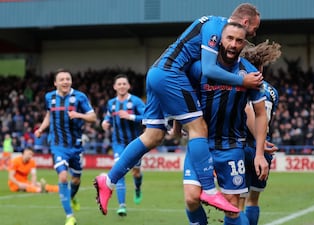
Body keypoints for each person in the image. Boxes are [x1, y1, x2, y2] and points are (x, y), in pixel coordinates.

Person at [94, 3, 268, 216]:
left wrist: (176, 127)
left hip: (157, 72)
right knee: (198, 128)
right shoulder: (217, 27)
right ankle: (210, 189)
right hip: (171, 75)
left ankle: (109, 180)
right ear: (245, 22)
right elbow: (210, 69)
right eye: (254, 29)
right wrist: (243, 81)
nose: (253, 34)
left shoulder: (212, 24)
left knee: (153, 136)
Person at [183, 22, 268, 225]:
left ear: (244, 44)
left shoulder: (250, 73)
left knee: (231, 209)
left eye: (239, 41)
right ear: (220, 39)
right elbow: (183, 97)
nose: (233, 44)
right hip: (200, 143)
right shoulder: (199, 68)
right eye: (229, 38)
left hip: (231, 147)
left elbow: (260, 114)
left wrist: (259, 153)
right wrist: (178, 126)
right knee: (191, 198)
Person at [34, 69, 97, 225]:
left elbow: (93, 117)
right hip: (57, 144)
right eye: (61, 79)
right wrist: (42, 128)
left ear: (71, 81)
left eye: (67, 79)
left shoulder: (80, 97)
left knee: (75, 180)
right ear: (55, 83)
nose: (65, 82)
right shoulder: (49, 97)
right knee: (63, 176)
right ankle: (70, 216)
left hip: (76, 146)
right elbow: (49, 115)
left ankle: (72, 196)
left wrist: (79, 115)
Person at [240, 40, 281, 225]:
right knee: (253, 199)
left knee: (237, 202)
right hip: (263, 149)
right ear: (261, 67)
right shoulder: (273, 92)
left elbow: (248, 111)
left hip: (241, 144)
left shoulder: (242, 85)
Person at [101, 74, 146, 216]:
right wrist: (105, 123)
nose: (121, 86)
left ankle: (137, 188)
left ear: (128, 86)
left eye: (124, 84)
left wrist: (130, 116)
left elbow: (147, 117)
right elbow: (108, 117)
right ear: (115, 87)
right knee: (120, 171)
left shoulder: (136, 101)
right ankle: (122, 205)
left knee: (136, 172)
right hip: (118, 143)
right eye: (119, 84)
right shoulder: (111, 103)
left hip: (135, 143)